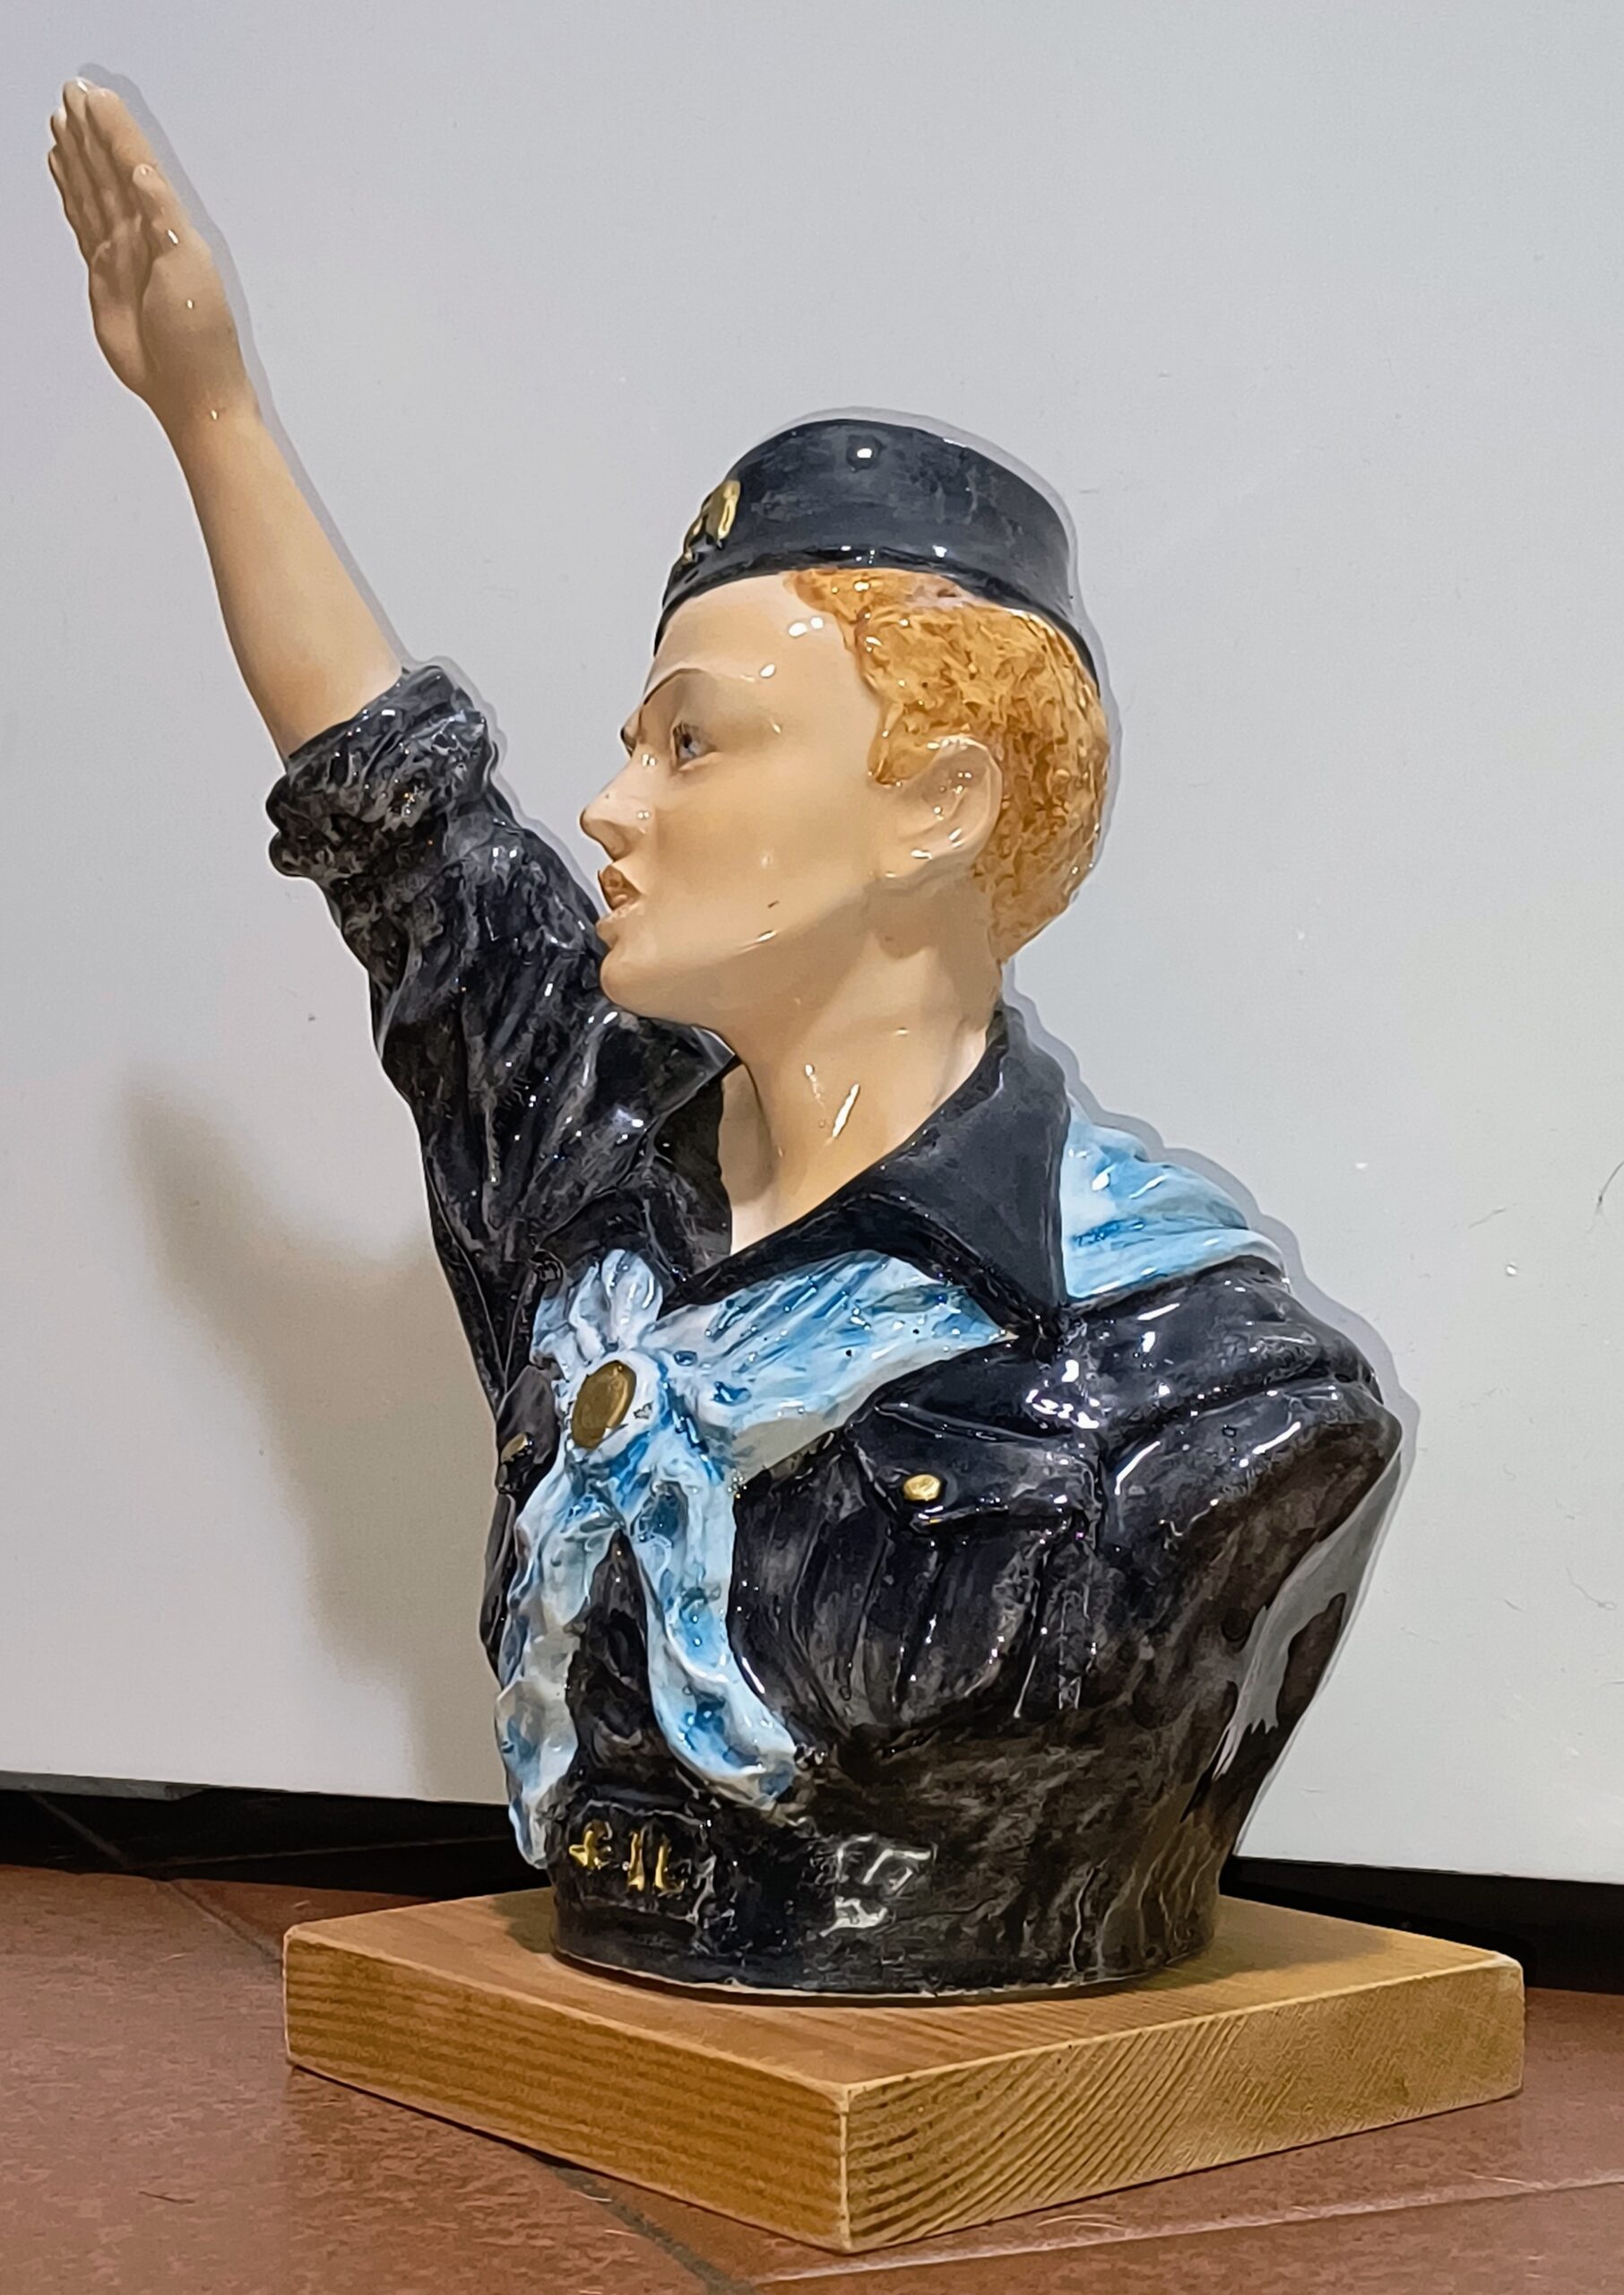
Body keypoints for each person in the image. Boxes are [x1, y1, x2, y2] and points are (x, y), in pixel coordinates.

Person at [50, 81, 1402, 1996]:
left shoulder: (1206, 1388)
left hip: (958, 2036)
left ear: (934, 806)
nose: (611, 806)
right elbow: (406, 827)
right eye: (634, 743)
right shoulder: (600, 1172)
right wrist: (213, 414)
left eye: (691, 741)